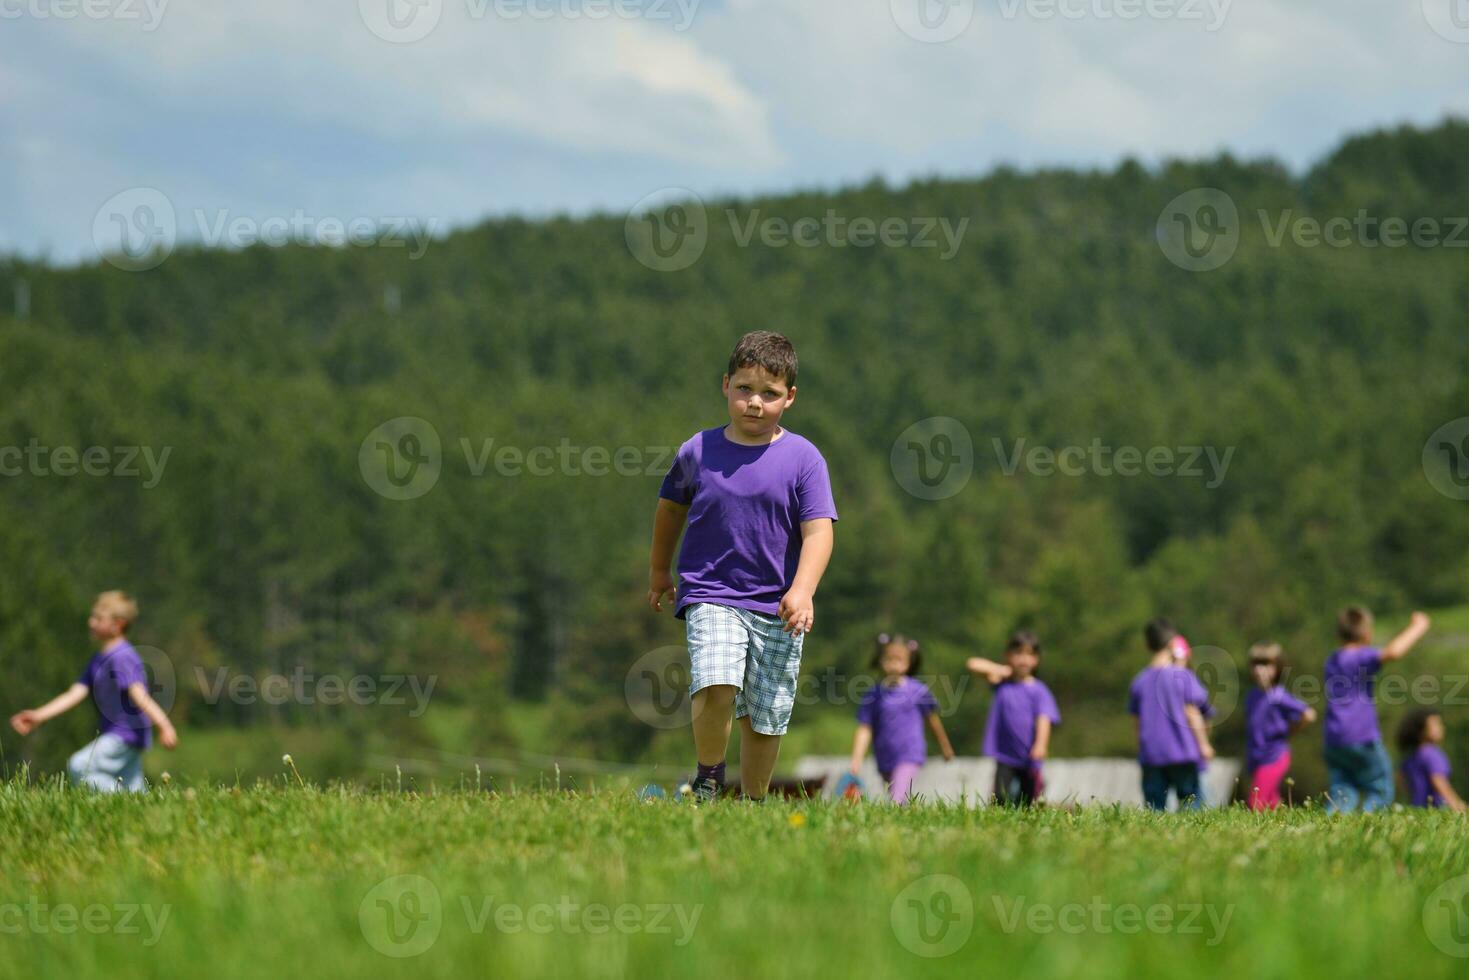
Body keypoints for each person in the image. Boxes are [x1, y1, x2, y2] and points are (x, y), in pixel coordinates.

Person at [647, 331, 837, 802]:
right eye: (745, 389)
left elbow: (819, 531)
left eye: (769, 394)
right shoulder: (698, 451)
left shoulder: (804, 458)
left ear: (789, 397)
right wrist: (658, 571)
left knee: (766, 711)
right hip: (711, 591)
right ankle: (710, 777)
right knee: (717, 680)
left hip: (778, 604)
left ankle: (753, 801)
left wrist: (804, 590)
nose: (755, 402)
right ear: (726, 385)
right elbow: (670, 509)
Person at [10, 591, 177, 791]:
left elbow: (140, 696)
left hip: (125, 733)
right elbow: (75, 694)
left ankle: (122, 798)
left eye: (98, 618)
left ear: (118, 624)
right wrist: (39, 715)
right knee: (135, 789)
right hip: (123, 734)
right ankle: (141, 804)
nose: (91, 622)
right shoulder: (99, 659)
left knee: (80, 766)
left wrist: (164, 725)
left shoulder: (121, 657)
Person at [1323, 607, 1430, 813]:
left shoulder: (1332, 660)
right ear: (1367, 634)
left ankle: (1331, 825)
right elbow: (1393, 652)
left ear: (1338, 634)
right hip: (1361, 736)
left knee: (1343, 789)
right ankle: (1370, 825)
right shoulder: (1359, 657)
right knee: (1380, 786)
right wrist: (1418, 627)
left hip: (1333, 738)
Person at [849, 633, 955, 804]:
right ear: (881, 661)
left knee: (897, 797)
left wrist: (945, 747)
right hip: (884, 756)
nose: (893, 665)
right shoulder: (873, 695)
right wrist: (856, 760)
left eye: (899, 660)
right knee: (898, 796)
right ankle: (902, 826)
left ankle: (892, 823)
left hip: (910, 753)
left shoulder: (918, 691)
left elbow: (932, 720)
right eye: (889, 659)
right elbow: (865, 728)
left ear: (909, 662)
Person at [966, 630, 1061, 806]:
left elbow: (1044, 718)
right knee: (1000, 796)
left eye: (1029, 655)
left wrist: (1040, 744)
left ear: (1037, 659)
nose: (1024, 660)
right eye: (1018, 654)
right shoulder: (1003, 683)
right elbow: (972, 664)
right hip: (1005, 755)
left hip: (1030, 756)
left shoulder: (1039, 690)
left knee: (1028, 799)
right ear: (1008, 656)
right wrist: (1002, 670)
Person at [1128, 617, 1215, 810]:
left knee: (1154, 808)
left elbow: (1137, 721)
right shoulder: (1183, 676)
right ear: (1172, 643)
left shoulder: (1139, 681)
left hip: (1151, 755)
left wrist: (1142, 748)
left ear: (1147, 646)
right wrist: (1204, 744)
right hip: (1183, 753)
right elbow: (1193, 713)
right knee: (1191, 805)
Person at [1243, 642, 1315, 809]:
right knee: (1270, 801)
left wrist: (1292, 729)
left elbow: (1309, 714)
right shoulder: (1252, 696)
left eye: (1266, 664)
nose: (1260, 670)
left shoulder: (1279, 696)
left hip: (1274, 756)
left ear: (1278, 668)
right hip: (1256, 756)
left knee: (1255, 803)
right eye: (1256, 664)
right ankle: (1282, 822)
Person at [1396, 708, 1467, 811]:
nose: (1441, 728)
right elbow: (1439, 782)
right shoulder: (1432, 754)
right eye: (1436, 725)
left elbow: (1400, 782)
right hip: (1435, 810)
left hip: (1417, 810)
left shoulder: (1410, 756)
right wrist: (1459, 806)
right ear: (1421, 730)